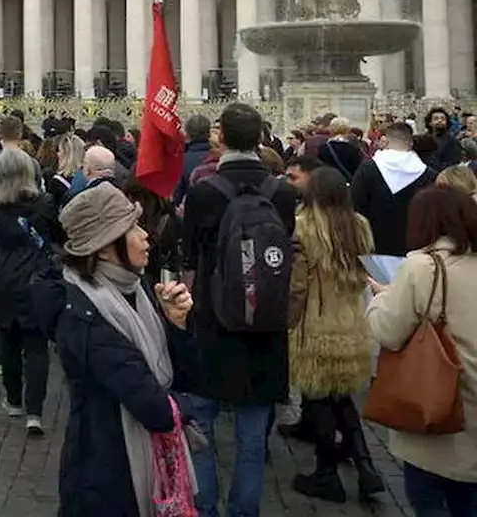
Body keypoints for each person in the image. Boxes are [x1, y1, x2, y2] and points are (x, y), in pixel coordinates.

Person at [44, 181, 198, 516]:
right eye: (131, 227)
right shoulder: (87, 315)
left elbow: (181, 374)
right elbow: (153, 405)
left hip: (128, 465)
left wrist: (177, 324)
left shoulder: (133, 290)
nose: (145, 235)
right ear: (103, 248)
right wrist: (182, 407)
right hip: (108, 476)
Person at [180, 103, 298, 517]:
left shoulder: (203, 192)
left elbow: (189, 259)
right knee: (252, 437)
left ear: (221, 138)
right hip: (266, 321)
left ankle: (205, 507)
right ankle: (244, 511)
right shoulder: (282, 192)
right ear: (261, 138)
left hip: (214, 319)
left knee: (203, 427)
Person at [366, 186, 477, 515]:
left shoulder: (423, 268)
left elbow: (387, 330)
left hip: (441, 408)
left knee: (430, 498)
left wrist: (383, 296)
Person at [287, 167, 381, 502]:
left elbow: (298, 282)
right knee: (341, 397)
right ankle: (366, 466)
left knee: (319, 398)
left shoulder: (303, 228)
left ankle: (327, 474)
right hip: (352, 322)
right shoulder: (360, 226)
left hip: (315, 321)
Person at [0, 149, 59, 435]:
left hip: (2, 276)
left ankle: (13, 400)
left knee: (8, 340)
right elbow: (57, 238)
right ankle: (34, 411)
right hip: (36, 276)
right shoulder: (45, 203)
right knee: (36, 346)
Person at [352, 122, 437, 257]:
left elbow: (356, 205)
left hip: (374, 242)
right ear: (411, 143)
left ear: (386, 141)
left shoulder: (368, 168)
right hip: (414, 246)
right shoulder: (427, 173)